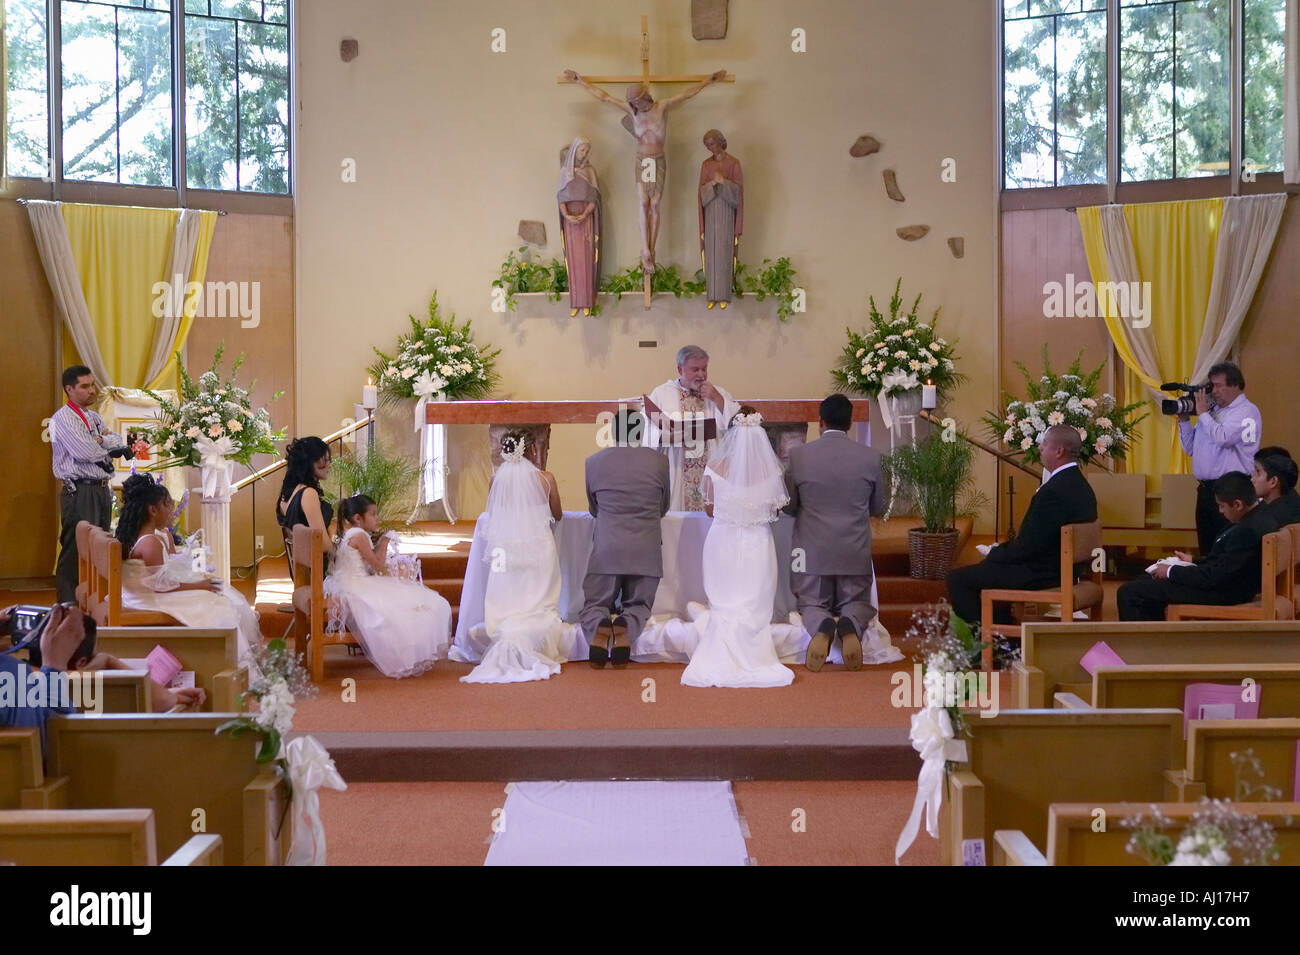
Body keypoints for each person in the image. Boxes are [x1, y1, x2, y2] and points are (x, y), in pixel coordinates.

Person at [666, 408, 799, 687]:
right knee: (752, 601)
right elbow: (775, 510)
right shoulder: (771, 469)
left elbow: (710, 509)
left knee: (725, 603)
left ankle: (722, 638)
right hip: (757, 542)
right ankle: (751, 643)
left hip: (723, 541)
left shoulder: (715, 468)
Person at [562, 68, 726, 274]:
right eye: (632, 103)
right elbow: (605, 97)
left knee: (655, 204)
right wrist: (580, 82)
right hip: (643, 161)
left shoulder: (662, 107)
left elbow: (687, 94)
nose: (634, 105)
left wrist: (708, 81)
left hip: (657, 160)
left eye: (637, 101)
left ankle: (652, 247)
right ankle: (645, 249)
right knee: (643, 202)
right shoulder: (632, 112)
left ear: (645, 98)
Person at [946, 425, 1098, 631]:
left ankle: (987, 647)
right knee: (990, 569)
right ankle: (1005, 640)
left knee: (959, 579)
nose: (1040, 448)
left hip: (1042, 572)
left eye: (1044, 444)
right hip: (1062, 568)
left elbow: (1029, 546)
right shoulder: (1081, 485)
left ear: (1059, 451)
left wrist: (997, 552)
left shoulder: (1054, 491)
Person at [461, 432, 586, 683]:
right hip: (539, 547)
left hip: (505, 549)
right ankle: (537, 626)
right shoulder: (546, 479)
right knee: (540, 592)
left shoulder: (496, 480)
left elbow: (493, 514)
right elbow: (558, 514)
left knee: (509, 587)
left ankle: (506, 621)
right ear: (531, 451)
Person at [785, 394, 890, 671]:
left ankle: (820, 625)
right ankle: (850, 623)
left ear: (820, 422)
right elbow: (879, 506)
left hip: (808, 552)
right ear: (850, 422)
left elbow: (790, 506)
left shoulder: (798, 456)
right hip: (853, 549)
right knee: (857, 600)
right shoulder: (871, 457)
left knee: (809, 601)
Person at [115, 474, 261, 662]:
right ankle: (220, 663)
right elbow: (161, 585)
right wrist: (201, 585)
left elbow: (164, 574)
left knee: (220, 595)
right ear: (153, 510)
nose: (172, 510)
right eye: (168, 504)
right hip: (149, 599)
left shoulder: (152, 537)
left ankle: (228, 661)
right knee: (217, 606)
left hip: (146, 594)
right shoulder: (150, 542)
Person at [1118, 471, 1279, 620]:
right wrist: (1192, 560)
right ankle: (1156, 642)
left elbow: (1215, 577)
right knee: (1146, 580)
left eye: (1222, 505)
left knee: (1130, 592)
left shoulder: (1247, 531)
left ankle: (1144, 647)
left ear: (1238, 504)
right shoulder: (1257, 517)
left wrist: (1170, 570)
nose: (1220, 511)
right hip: (1224, 583)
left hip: (1223, 594)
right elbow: (1227, 563)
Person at [323, 494, 452, 678]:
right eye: (373, 514)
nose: (378, 518)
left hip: (352, 581)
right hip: (357, 585)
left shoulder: (354, 534)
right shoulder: (359, 535)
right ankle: (403, 655)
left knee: (408, 601)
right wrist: (384, 542)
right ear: (357, 518)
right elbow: (376, 565)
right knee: (406, 606)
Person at [581, 409, 671, 667]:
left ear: (613, 432)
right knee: (639, 604)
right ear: (641, 433)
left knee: (595, 603)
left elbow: (593, 509)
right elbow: (662, 507)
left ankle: (599, 624)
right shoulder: (659, 462)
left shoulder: (593, 462)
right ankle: (625, 625)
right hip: (646, 549)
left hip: (607, 549)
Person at [51, 365, 132, 603]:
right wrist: (103, 443)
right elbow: (85, 451)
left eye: (92, 385)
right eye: (85, 386)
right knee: (75, 551)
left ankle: (94, 604)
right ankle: (68, 607)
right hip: (79, 491)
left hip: (100, 489)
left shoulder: (93, 417)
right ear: (69, 389)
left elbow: (117, 439)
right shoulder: (62, 418)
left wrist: (100, 440)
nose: (91, 391)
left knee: (101, 549)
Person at [1178, 361, 1262, 556]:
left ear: (1234, 385)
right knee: (1207, 547)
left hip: (1232, 489)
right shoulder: (1213, 412)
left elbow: (1223, 438)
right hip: (1206, 489)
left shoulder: (1247, 411)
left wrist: (1203, 414)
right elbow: (1190, 448)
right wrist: (1183, 419)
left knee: (1227, 548)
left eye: (1217, 385)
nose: (1212, 391)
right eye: (1211, 385)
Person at [644, 345, 741, 511]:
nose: (701, 375)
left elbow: (738, 425)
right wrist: (667, 437)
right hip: (677, 471)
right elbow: (646, 431)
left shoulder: (718, 393)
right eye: (695, 370)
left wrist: (717, 398)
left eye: (704, 369)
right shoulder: (661, 394)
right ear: (680, 369)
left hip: (711, 471)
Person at [698, 129, 743, 308]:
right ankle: (712, 295)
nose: (710, 148)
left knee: (724, 251)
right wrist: (712, 184)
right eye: (707, 145)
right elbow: (700, 193)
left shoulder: (733, 163)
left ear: (720, 142)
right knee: (711, 253)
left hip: (726, 213)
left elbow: (739, 193)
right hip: (710, 213)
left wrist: (724, 182)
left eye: (712, 144)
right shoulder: (706, 165)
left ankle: (723, 295)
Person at [557, 137, 601, 317]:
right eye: (582, 149)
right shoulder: (564, 173)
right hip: (570, 221)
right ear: (574, 150)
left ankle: (587, 302)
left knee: (587, 260)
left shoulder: (590, 171)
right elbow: (561, 197)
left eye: (587, 150)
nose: (585, 153)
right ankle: (575, 302)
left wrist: (585, 214)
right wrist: (567, 214)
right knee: (574, 261)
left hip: (586, 219)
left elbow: (594, 198)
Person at [278, 437, 335, 558]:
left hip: (305, 567)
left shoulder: (287, 494)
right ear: (310, 462)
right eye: (326, 460)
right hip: (318, 570)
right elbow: (323, 545)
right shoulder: (308, 494)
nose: (329, 465)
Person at [1252, 446, 1300, 526]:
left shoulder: (1270, 521)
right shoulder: (1288, 498)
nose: (1252, 478)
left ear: (1273, 481)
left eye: (1258, 471)